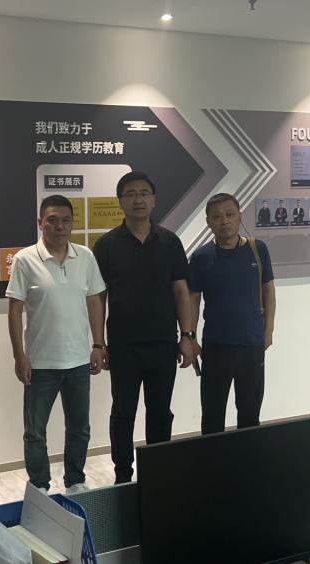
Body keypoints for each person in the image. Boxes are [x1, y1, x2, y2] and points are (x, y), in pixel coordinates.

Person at [94, 171, 196, 484]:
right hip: (123, 346)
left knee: (160, 411)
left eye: (143, 193)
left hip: (163, 343)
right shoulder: (106, 245)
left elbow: (181, 291)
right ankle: (122, 475)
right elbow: (98, 297)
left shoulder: (170, 242)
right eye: (130, 194)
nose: (137, 199)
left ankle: (157, 472)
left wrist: (187, 335)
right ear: (120, 202)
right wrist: (98, 343)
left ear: (153, 200)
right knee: (123, 413)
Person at [7, 195, 106, 494]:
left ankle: (75, 481)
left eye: (65, 220)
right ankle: (39, 486)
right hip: (40, 363)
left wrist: (98, 344)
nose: (59, 226)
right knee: (35, 433)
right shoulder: (25, 259)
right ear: (40, 223)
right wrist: (19, 356)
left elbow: (94, 301)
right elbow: (14, 311)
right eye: (52, 220)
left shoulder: (85, 257)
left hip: (78, 361)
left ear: (72, 223)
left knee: (80, 429)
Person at [189, 193, 275, 432]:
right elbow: (193, 300)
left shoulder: (258, 249)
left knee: (250, 414)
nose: (224, 221)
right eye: (217, 216)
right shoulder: (200, 257)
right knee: (212, 416)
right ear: (208, 222)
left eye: (230, 214)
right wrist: (190, 337)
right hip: (215, 346)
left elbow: (269, 291)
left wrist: (268, 331)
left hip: (251, 344)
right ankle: (213, 457)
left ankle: (247, 456)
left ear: (240, 216)